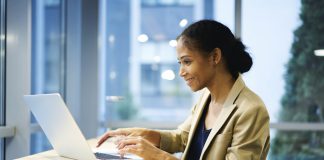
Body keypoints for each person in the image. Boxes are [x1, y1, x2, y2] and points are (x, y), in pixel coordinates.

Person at [97, 19, 270, 160]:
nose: (181, 72)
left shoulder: (251, 110)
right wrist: (145, 134)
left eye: (187, 62)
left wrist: (159, 156)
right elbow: (183, 138)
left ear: (215, 57)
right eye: (180, 63)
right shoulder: (206, 97)